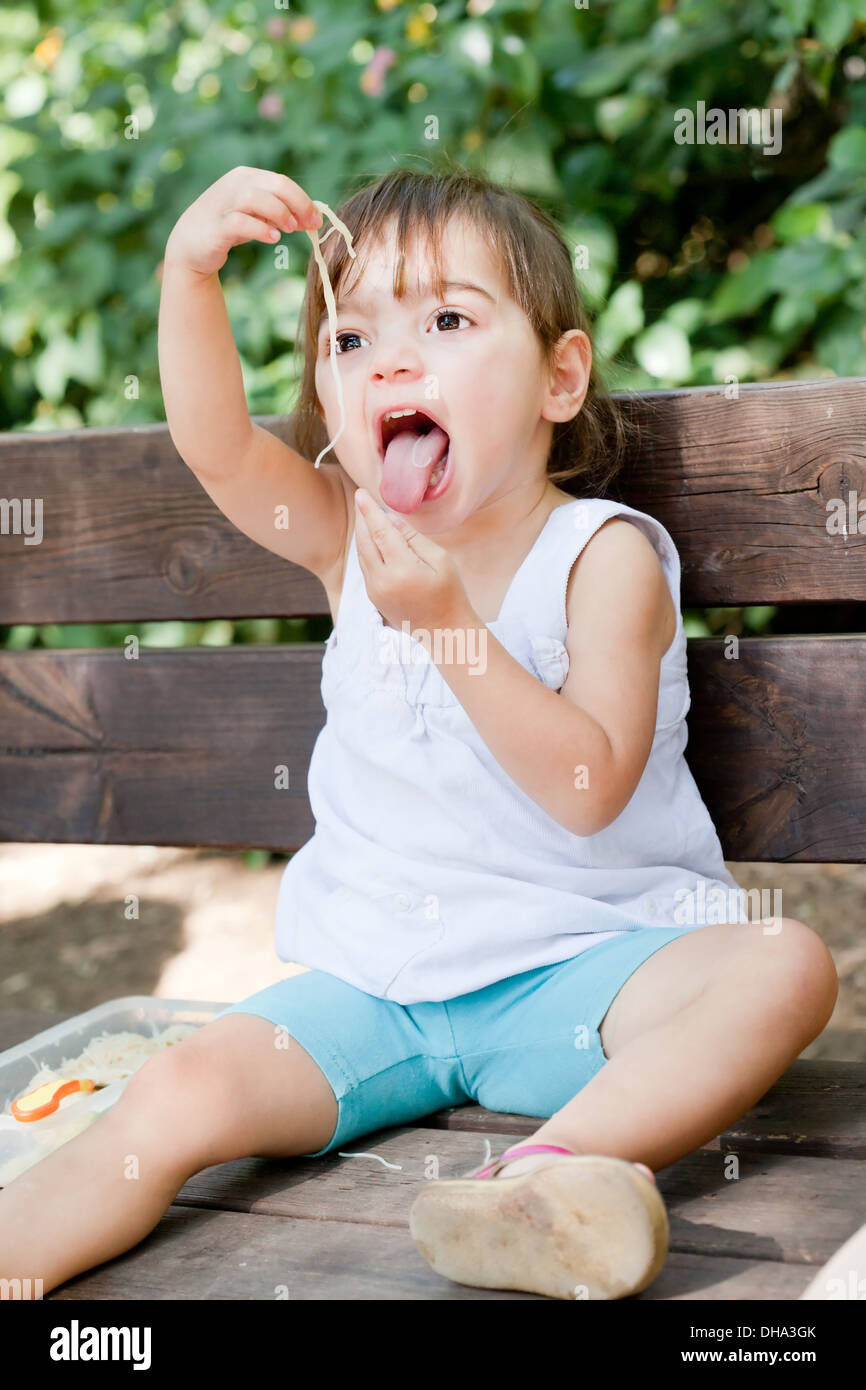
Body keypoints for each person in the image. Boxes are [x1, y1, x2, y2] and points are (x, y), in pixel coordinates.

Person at [0, 165, 837, 1302]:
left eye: (445, 320)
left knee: (780, 966)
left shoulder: (600, 558)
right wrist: (187, 270)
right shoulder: (347, 536)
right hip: (372, 992)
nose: (389, 360)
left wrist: (447, 628)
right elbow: (213, 448)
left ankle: (538, 1180)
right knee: (179, 1084)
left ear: (557, 375)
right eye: (349, 340)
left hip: (580, 977)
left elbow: (588, 784)